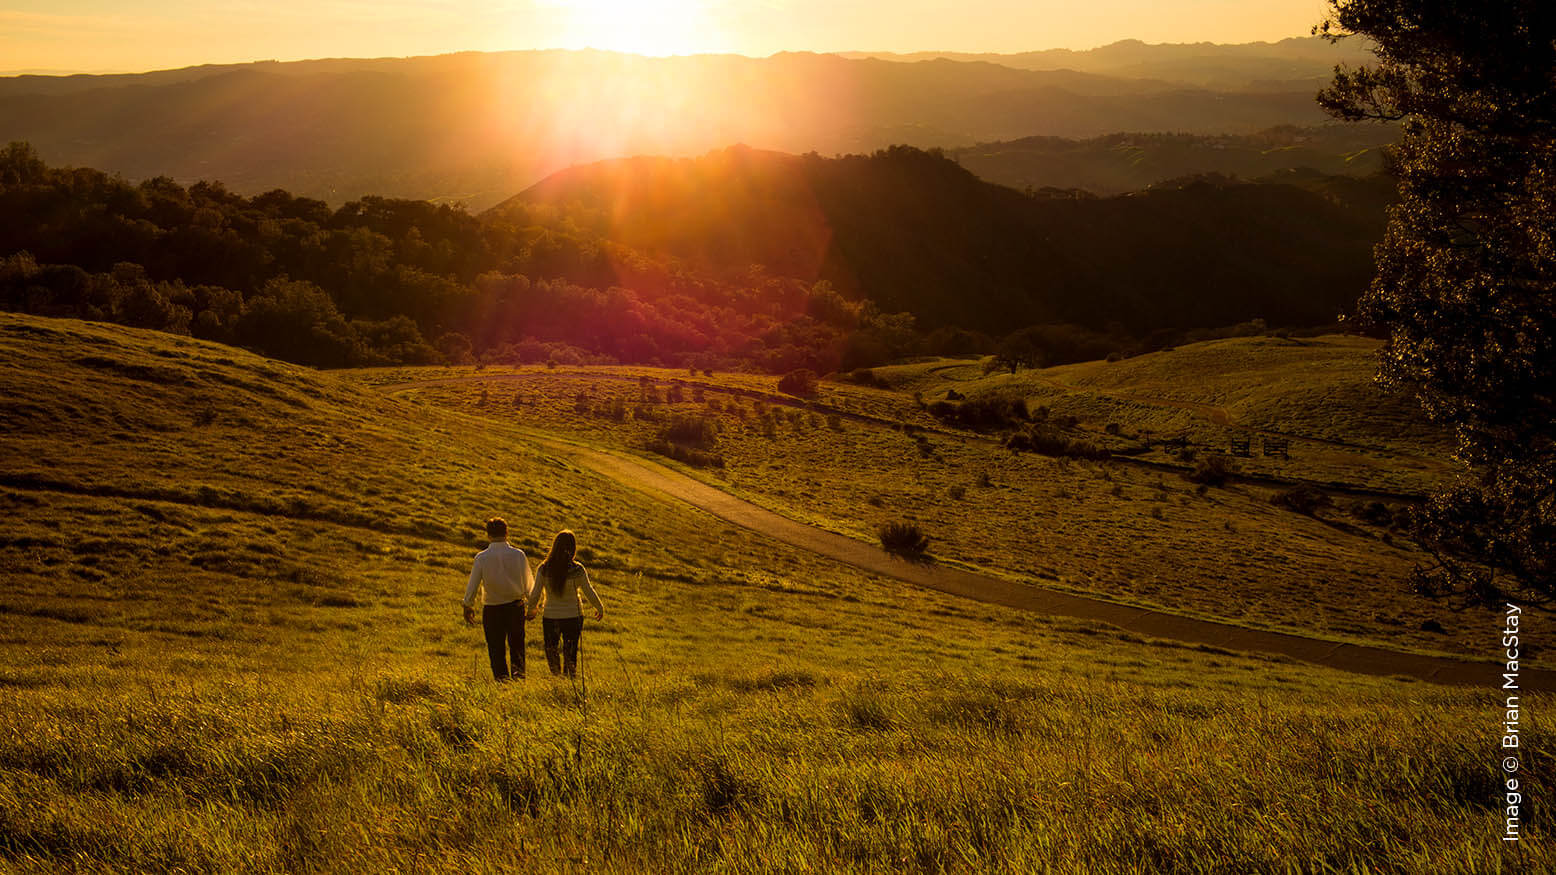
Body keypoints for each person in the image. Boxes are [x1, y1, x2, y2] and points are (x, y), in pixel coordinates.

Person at [524, 529, 604, 679]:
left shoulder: (544, 568)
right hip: (573, 616)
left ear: (554, 546)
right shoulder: (577, 569)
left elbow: (535, 593)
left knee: (551, 649)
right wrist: (599, 607)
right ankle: (569, 680)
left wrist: (531, 610)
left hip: (551, 616)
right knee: (571, 651)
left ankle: (556, 678)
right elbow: (589, 591)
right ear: (573, 548)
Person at [462, 517, 533, 680]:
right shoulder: (518, 555)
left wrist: (468, 605)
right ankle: (518, 680)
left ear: (488, 535)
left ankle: (502, 681)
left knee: (496, 648)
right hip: (516, 607)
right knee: (517, 647)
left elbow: (473, 584)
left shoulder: (482, 558)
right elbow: (529, 583)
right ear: (507, 533)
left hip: (492, 609)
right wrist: (533, 605)